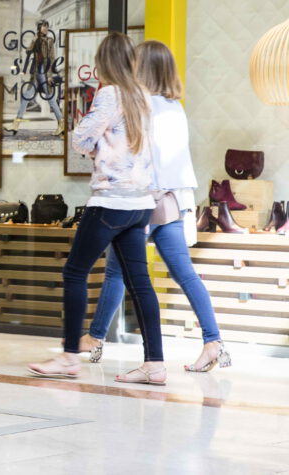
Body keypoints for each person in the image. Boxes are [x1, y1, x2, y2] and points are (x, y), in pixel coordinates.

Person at [81, 41, 230, 373]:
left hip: (146, 201)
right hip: (174, 203)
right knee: (185, 274)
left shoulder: (144, 108)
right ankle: (213, 341)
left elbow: (145, 160)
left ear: (141, 68)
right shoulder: (175, 108)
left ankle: (95, 338)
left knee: (116, 271)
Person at [28, 33, 166, 385]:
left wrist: (96, 149)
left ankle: (68, 357)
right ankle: (155, 364)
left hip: (110, 202)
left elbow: (81, 138)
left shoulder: (109, 94)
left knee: (75, 273)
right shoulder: (144, 97)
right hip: (140, 203)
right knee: (140, 283)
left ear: (104, 62)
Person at [5, 19, 64, 136]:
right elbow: (28, 51)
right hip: (36, 72)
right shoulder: (36, 39)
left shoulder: (49, 41)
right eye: (44, 26)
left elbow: (52, 58)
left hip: (44, 72)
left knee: (50, 98)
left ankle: (61, 124)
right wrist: (34, 39)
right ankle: (15, 124)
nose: (46, 28)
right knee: (27, 96)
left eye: (47, 26)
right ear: (39, 28)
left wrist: (49, 75)